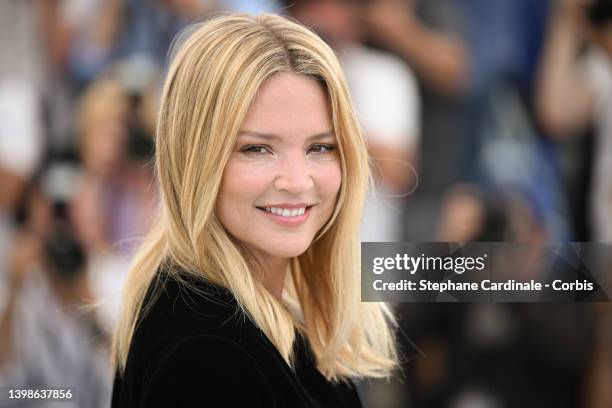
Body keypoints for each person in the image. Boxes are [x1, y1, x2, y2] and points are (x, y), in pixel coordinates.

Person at [110, 13, 399, 407]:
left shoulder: (259, 320)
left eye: (321, 147)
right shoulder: (205, 356)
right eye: (257, 149)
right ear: (195, 158)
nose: (297, 181)